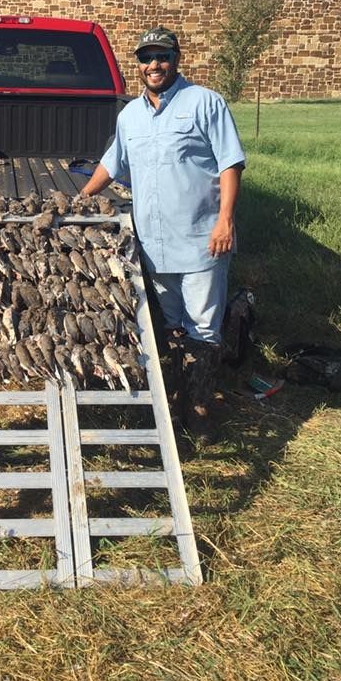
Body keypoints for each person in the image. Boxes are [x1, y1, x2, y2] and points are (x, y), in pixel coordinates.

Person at [81, 26, 245, 442]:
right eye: (146, 57)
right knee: (171, 325)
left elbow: (230, 164)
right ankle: (174, 401)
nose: (154, 64)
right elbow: (110, 163)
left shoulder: (205, 103)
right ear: (137, 63)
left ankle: (200, 407)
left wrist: (225, 219)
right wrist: (80, 199)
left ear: (177, 58)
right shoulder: (129, 115)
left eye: (162, 56)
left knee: (204, 327)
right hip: (153, 246)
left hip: (201, 239)